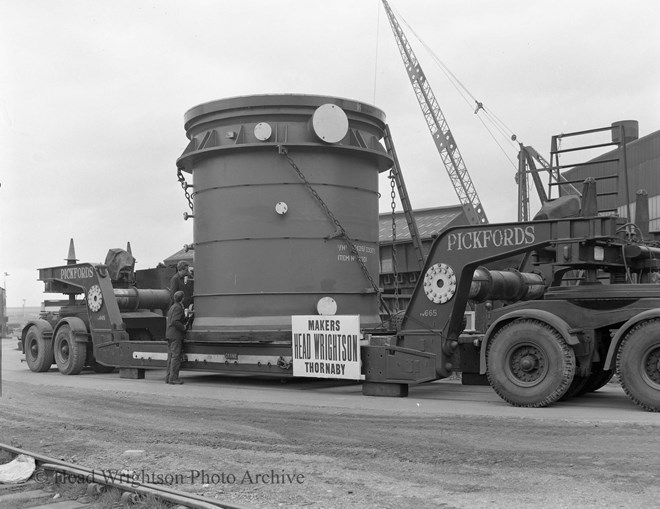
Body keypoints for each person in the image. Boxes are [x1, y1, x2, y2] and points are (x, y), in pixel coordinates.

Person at [165, 290, 186, 385]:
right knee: (175, 357)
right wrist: (183, 327)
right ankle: (173, 378)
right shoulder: (178, 308)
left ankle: (168, 377)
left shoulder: (172, 307)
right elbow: (175, 321)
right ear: (182, 298)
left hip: (169, 334)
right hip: (175, 335)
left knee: (170, 357)